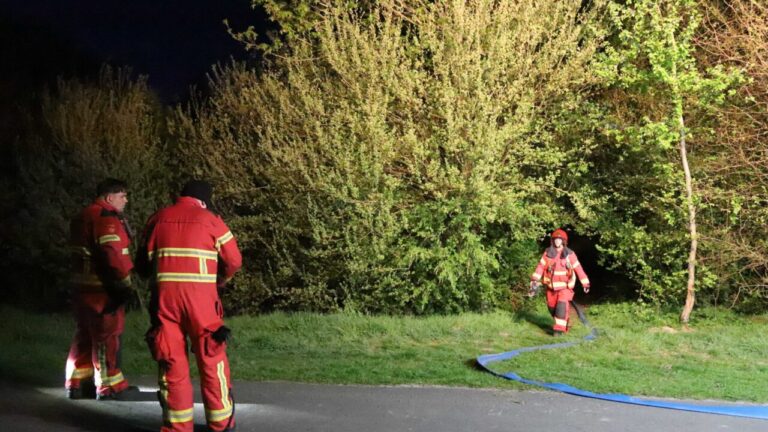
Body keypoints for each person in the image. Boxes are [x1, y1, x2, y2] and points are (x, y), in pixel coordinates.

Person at [136, 180, 242, 432]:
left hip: (165, 303)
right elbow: (234, 259)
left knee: (171, 361)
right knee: (211, 357)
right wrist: (222, 280)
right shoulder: (211, 219)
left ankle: (177, 426)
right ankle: (220, 422)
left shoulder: (157, 219)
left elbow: (141, 264)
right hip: (202, 304)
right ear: (204, 201)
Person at [65, 178, 135, 399]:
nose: (126, 200)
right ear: (109, 197)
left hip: (81, 288)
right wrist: (124, 285)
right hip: (102, 290)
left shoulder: (82, 216)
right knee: (106, 336)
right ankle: (109, 386)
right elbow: (113, 253)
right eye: (122, 195)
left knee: (84, 335)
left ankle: (76, 383)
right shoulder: (105, 218)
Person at [529, 229, 590, 335]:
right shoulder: (548, 253)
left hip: (564, 288)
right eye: (555, 239)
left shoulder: (569, 254)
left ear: (563, 241)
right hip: (550, 288)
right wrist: (534, 279)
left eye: (559, 240)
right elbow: (540, 267)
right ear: (553, 241)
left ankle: (558, 331)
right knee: (552, 308)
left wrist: (585, 283)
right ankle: (563, 324)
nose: (557, 241)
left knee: (561, 307)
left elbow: (578, 269)